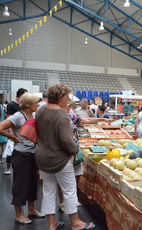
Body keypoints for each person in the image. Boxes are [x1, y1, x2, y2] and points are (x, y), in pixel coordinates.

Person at [35, 85, 95, 230]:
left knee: (49, 191)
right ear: (60, 98)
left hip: (43, 157)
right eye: (67, 97)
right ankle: (76, 223)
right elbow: (67, 141)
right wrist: (75, 151)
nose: (68, 100)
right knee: (69, 190)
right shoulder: (62, 115)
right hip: (60, 159)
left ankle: (52, 224)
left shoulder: (41, 110)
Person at [58, 103, 110, 212]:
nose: (70, 108)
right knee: (63, 179)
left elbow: (85, 120)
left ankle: (73, 199)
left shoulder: (70, 116)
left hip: (76, 150)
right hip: (65, 152)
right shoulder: (58, 118)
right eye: (67, 106)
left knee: (77, 174)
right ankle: (62, 201)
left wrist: (100, 120)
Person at [0, 93, 42, 224]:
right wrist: (12, 137)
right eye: (36, 102)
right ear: (29, 104)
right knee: (20, 185)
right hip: (21, 155)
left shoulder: (34, 115)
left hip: (32, 154)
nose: (38, 104)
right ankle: (18, 214)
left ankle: (31, 210)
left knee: (32, 184)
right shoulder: (18, 116)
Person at [4, 88, 28, 175]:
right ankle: (7, 167)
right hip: (13, 130)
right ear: (20, 95)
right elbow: (9, 118)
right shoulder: (11, 104)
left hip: (22, 130)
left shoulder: (23, 105)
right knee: (10, 150)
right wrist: (10, 132)